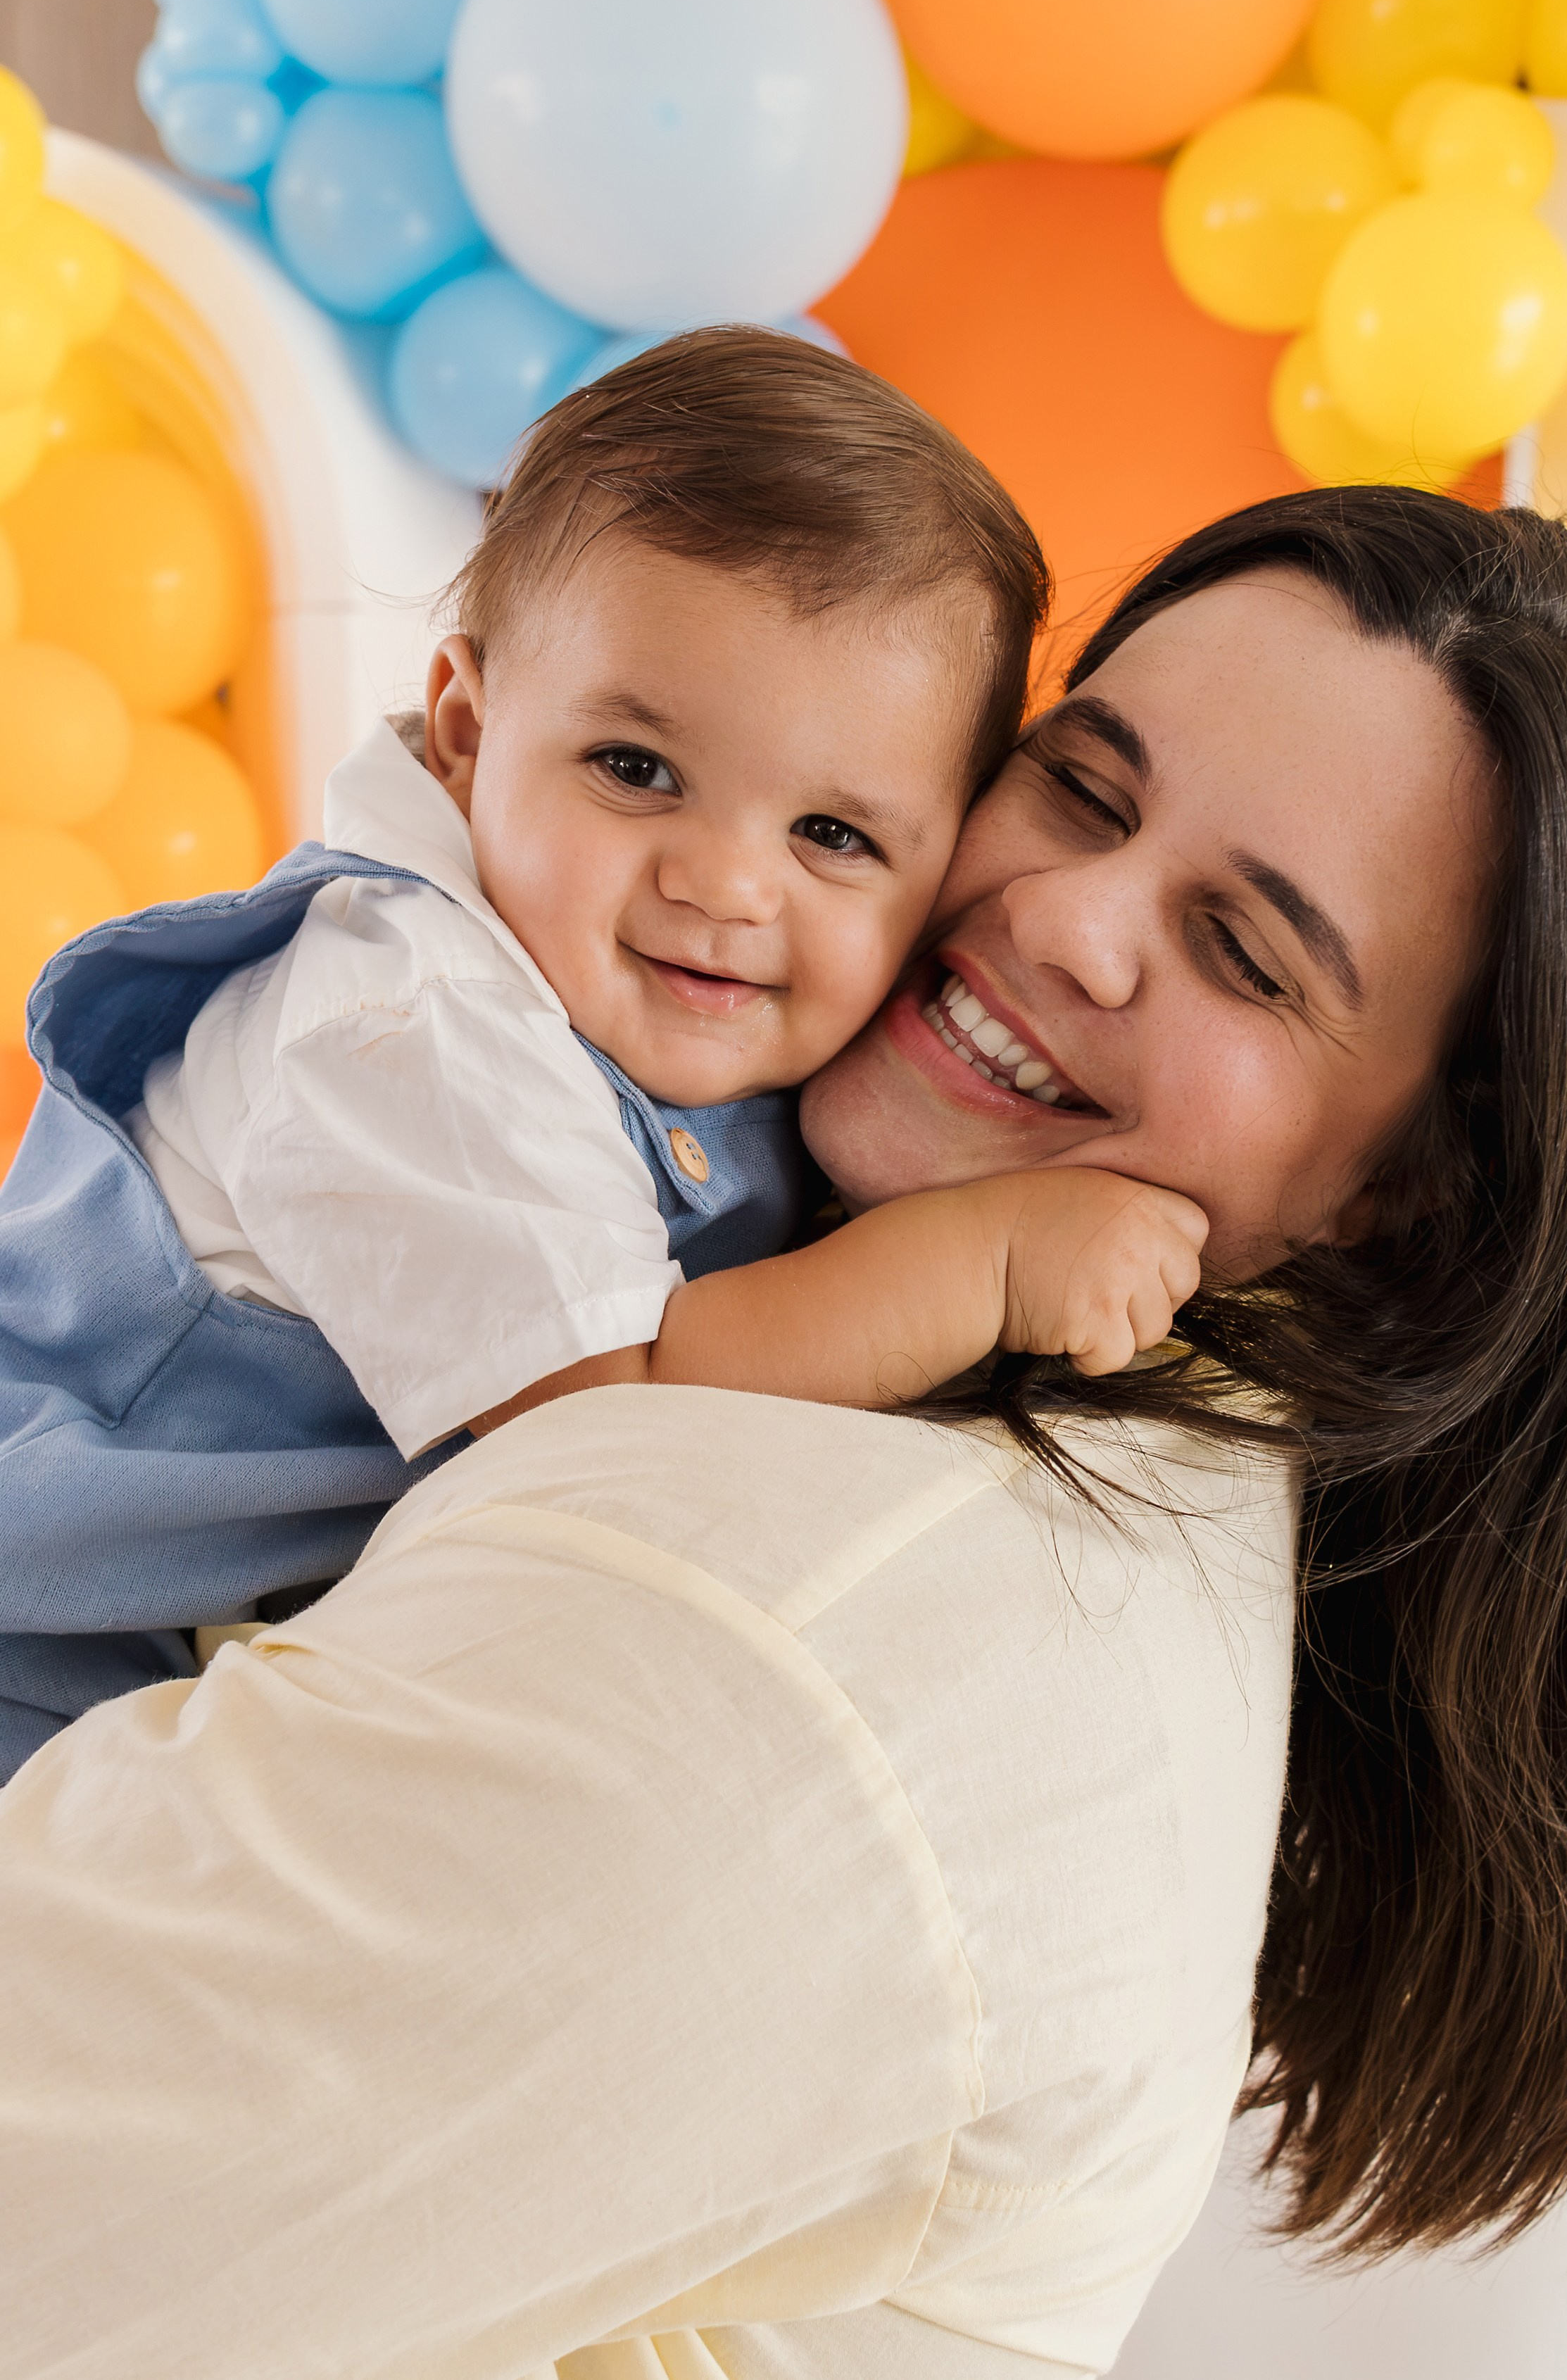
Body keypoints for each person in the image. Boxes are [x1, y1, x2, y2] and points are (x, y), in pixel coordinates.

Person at [1, 491, 1567, 2380]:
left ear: (1413, 1191)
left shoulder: (777, 1612)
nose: (1065, 919)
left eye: (1244, 949)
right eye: (1081, 785)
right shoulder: (1029, 1406)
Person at [0, 329, 1201, 1780]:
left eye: (831, 834)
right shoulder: (404, 1017)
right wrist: (992, 1263)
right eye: (636, 771)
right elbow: (606, 1434)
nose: (726, 885)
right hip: (43, 1633)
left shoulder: (692, 1006)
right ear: (464, 728)